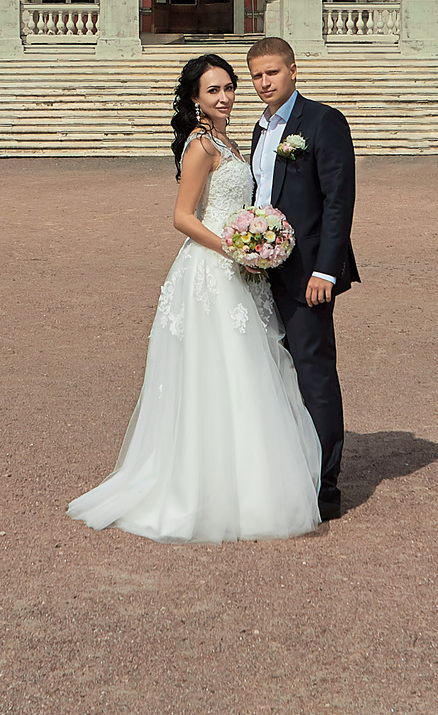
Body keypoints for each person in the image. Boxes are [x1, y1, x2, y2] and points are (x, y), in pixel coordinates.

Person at [68, 53, 323, 542]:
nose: (225, 97)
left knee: (248, 370)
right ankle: (205, 487)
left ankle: (249, 483)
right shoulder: (201, 145)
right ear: (195, 99)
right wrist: (235, 248)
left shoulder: (230, 140)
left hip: (241, 270)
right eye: (213, 91)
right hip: (212, 270)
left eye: (229, 87)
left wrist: (257, 242)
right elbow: (183, 216)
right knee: (219, 371)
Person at [243, 36, 360, 522]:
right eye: (256, 76)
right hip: (264, 270)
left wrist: (325, 270)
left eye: (272, 72)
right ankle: (290, 469)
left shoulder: (323, 121)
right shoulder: (260, 128)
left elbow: (338, 202)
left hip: (310, 271)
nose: (263, 83)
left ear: (293, 70)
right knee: (276, 372)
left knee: (314, 372)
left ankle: (326, 485)